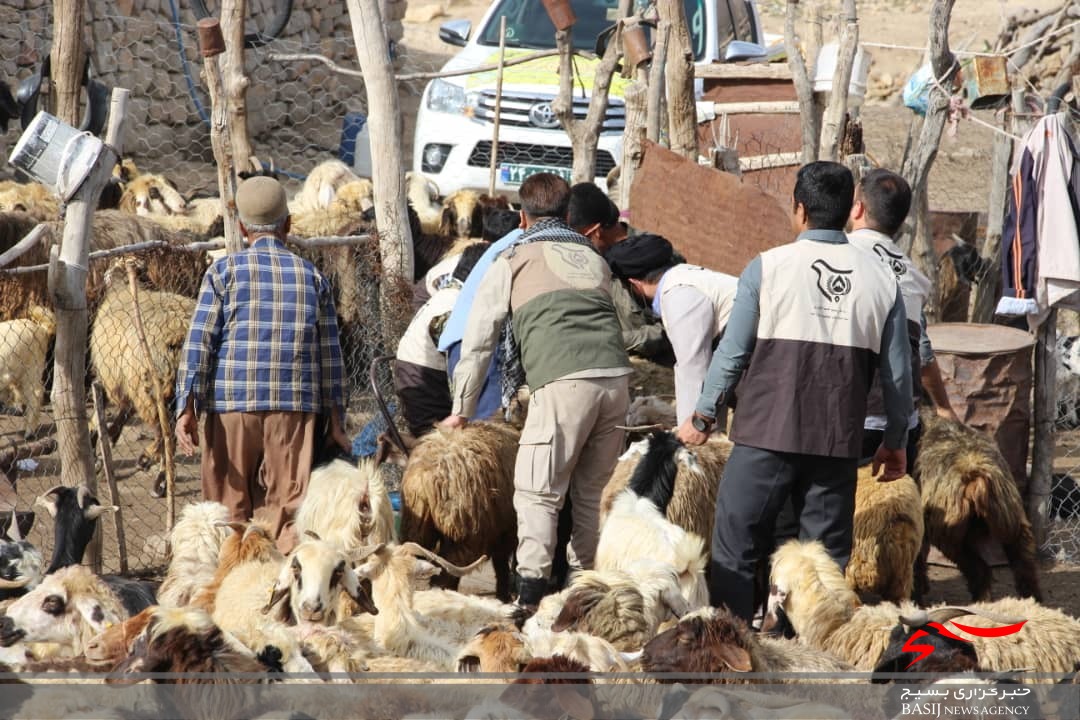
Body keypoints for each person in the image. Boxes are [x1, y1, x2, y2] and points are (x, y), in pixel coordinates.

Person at [675, 161, 913, 622]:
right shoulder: (883, 281)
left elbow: (732, 354)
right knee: (821, 564)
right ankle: (804, 655)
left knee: (736, 545)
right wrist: (895, 441)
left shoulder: (767, 267)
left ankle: (734, 648)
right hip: (836, 445)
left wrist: (705, 415)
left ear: (799, 210)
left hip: (765, 435)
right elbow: (898, 376)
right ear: (849, 212)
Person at [441, 173, 631, 612]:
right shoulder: (593, 257)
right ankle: (587, 593)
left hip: (565, 383)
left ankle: (529, 598)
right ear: (568, 215)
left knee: (536, 492)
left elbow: (480, 340)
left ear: (522, 217)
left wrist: (461, 409)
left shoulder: (511, 259)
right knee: (590, 495)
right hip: (616, 382)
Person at [174, 175, 348, 554]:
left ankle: (231, 582)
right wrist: (336, 419)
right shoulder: (313, 278)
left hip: (230, 405)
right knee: (286, 511)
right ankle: (278, 589)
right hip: (294, 409)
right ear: (288, 224)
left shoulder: (222, 273)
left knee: (227, 507)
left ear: (240, 227)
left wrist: (186, 406)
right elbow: (330, 356)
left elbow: (199, 343)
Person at [848, 168, 960, 467]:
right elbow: (921, 353)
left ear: (857, 208)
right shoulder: (911, 276)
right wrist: (943, 407)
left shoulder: (839, 255)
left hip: (846, 418)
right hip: (897, 426)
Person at [605, 233, 738, 425]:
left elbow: (694, 370)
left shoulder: (678, 295)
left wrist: (693, 429)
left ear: (634, 283)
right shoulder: (687, 276)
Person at [568, 183, 673, 364]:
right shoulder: (588, 261)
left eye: (579, 238)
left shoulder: (651, 255)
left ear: (596, 232)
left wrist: (616, 340)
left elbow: (673, 328)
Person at [438, 209, 524, 422]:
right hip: (481, 344)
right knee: (487, 430)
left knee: (478, 428)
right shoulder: (523, 244)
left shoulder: (512, 241)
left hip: (467, 342)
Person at [394, 243, 487, 437]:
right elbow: (459, 360)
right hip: (424, 385)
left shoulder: (449, 293)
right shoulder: (455, 307)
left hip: (417, 375)